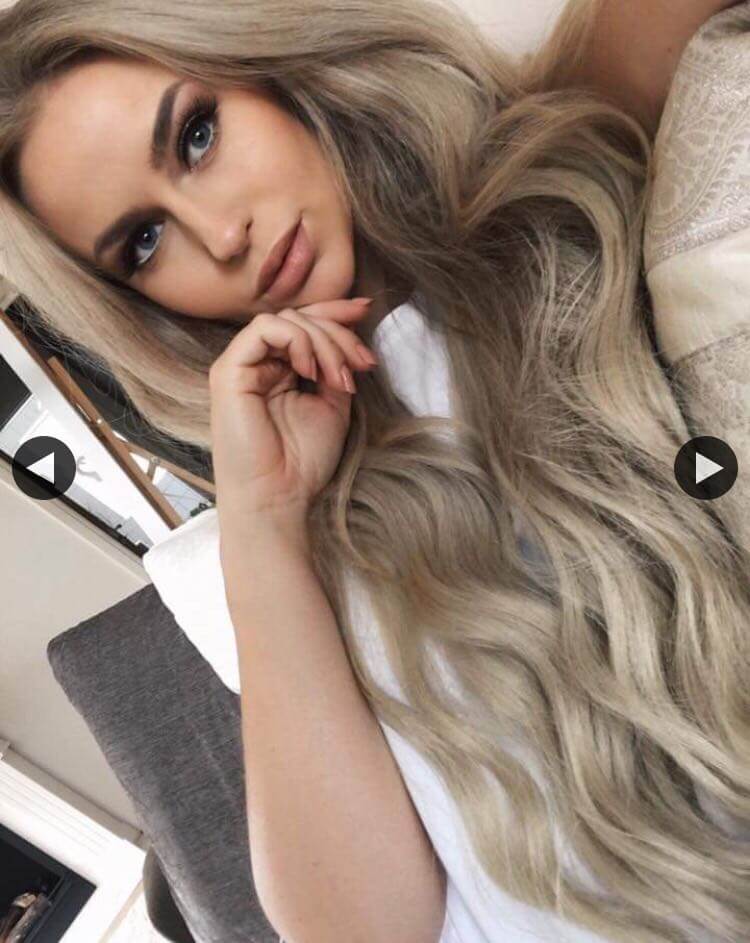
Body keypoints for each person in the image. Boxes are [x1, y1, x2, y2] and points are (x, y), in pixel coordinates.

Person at [1, 0, 749, 940]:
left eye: (196, 136)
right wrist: (264, 527)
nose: (220, 234)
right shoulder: (300, 522)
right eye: (144, 242)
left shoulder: (533, 180)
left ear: (270, 68)